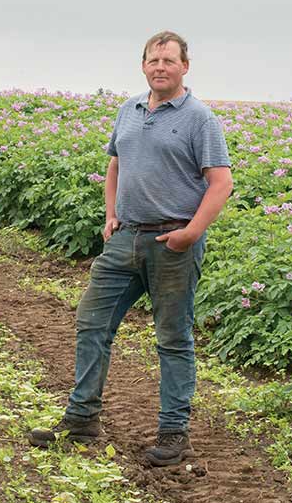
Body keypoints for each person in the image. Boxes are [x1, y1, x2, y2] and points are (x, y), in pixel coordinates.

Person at [30, 30, 233, 467]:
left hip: (171, 242)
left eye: (169, 60)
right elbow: (115, 165)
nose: (160, 67)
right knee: (91, 322)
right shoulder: (129, 110)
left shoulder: (200, 118)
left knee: (173, 338)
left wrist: (191, 233)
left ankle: (174, 434)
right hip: (125, 239)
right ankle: (82, 418)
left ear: (185, 67)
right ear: (143, 65)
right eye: (153, 60)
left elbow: (221, 183)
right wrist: (110, 216)